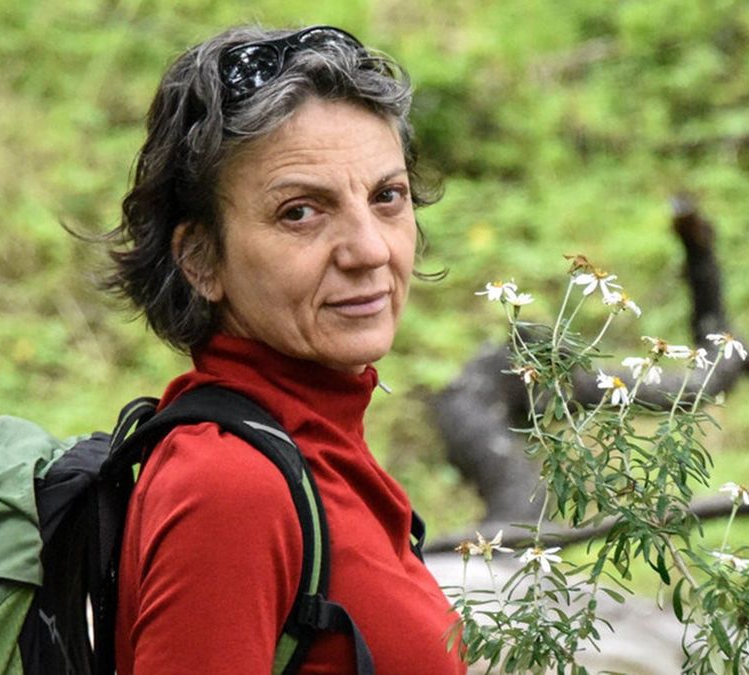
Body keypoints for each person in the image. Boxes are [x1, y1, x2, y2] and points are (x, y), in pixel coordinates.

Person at [105, 24, 465, 674]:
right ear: (201, 259)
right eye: (301, 211)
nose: (370, 250)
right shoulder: (227, 489)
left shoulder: (316, 443)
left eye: (387, 197)